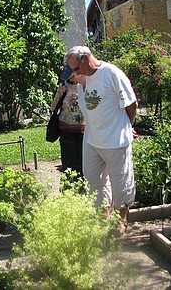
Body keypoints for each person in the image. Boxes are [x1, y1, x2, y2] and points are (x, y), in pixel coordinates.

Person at [61, 46, 138, 235]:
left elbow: (131, 103)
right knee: (94, 179)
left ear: (87, 58)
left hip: (115, 140)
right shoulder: (81, 85)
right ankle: (104, 215)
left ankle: (123, 221)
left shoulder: (111, 73)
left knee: (121, 182)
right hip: (94, 141)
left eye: (77, 69)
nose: (76, 74)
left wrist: (127, 126)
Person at [51, 72, 86, 174]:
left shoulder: (87, 85)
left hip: (84, 130)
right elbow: (53, 107)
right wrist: (59, 93)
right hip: (66, 130)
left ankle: (82, 183)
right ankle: (68, 183)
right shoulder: (63, 86)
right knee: (68, 161)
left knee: (82, 160)